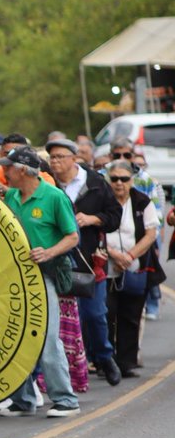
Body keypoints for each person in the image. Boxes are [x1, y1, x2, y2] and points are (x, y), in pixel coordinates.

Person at [0, 147, 82, 418]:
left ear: (22, 170)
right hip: (16, 279)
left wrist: (49, 252)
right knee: (17, 339)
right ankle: (23, 399)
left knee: (47, 338)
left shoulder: (54, 197)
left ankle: (66, 399)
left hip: (45, 276)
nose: (4, 171)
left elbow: (72, 236)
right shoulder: (12, 195)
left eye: (8, 167)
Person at [46, 137, 123, 386]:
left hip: (90, 260)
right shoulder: (47, 183)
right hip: (56, 260)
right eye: (52, 157)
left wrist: (92, 219)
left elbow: (114, 216)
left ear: (74, 158)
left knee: (94, 314)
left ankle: (105, 357)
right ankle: (68, 370)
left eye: (60, 156)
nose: (55, 162)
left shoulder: (95, 183)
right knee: (61, 320)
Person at [103, 160, 163, 377]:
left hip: (134, 267)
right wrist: (114, 254)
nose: (119, 183)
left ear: (132, 180)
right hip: (107, 265)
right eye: (114, 179)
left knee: (131, 315)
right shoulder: (102, 200)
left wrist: (129, 256)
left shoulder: (141, 201)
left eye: (124, 179)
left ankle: (126, 362)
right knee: (106, 313)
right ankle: (106, 361)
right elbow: (97, 231)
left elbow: (151, 233)